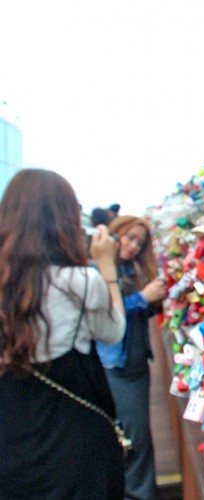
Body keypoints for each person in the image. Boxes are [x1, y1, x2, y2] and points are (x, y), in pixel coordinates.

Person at [0, 169, 126, 499]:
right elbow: (113, 332)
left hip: (11, 451)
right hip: (78, 449)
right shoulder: (79, 283)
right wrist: (108, 270)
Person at [97, 215, 167, 500]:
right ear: (115, 235)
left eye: (140, 242)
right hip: (118, 368)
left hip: (136, 365)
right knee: (136, 439)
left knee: (137, 436)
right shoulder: (102, 272)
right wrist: (142, 297)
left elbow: (141, 314)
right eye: (130, 237)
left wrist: (157, 298)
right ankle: (140, 494)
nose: (134, 246)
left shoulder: (129, 269)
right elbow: (107, 315)